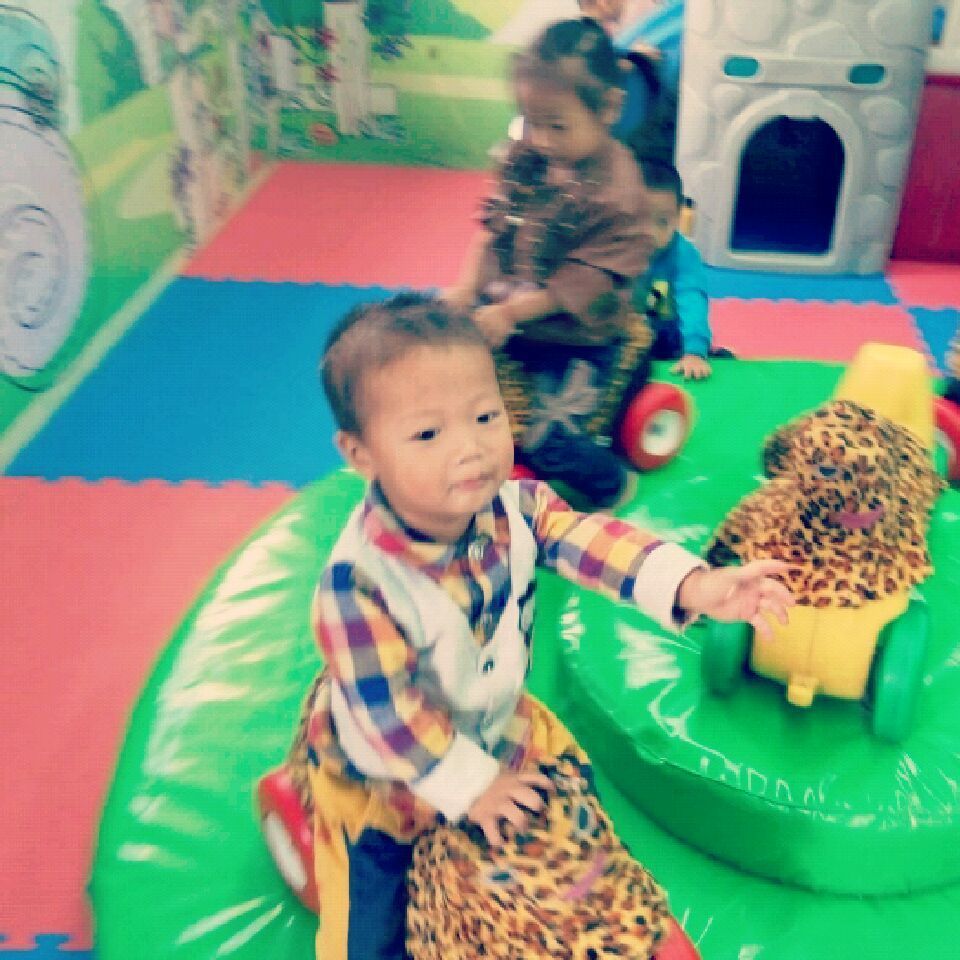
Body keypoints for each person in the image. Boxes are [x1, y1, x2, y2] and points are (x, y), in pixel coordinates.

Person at [295, 292, 792, 960]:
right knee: (370, 929)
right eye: (428, 435)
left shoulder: (518, 508)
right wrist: (472, 787)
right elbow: (391, 718)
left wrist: (694, 584)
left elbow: (596, 542)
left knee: (575, 809)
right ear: (361, 455)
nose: (471, 449)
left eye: (485, 416)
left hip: (498, 726)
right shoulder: (358, 584)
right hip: (390, 781)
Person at [445, 18, 657, 508]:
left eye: (557, 126)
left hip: (577, 336)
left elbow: (579, 287)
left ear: (609, 107)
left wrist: (509, 313)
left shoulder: (618, 196)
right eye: (530, 120)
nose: (540, 139)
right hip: (513, 315)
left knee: (547, 438)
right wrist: (464, 289)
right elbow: (493, 228)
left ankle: (609, 484)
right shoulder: (528, 156)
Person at [633, 157, 722, 380]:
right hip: (626, 331)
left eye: (662, 222)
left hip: (669, 334)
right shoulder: (616, 248)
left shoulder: (683, 255)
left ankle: (708, 353)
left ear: (678, 216)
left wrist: (694, 351)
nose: (651, 233)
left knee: (693, 359)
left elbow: (692, 299)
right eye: (639, 221)